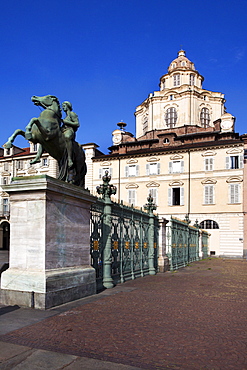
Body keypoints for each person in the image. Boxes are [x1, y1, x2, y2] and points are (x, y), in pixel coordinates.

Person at [61, 101, 80, 169]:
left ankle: (70, 159)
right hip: (63, 130)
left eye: (64, 106)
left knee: (67, 137)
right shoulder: (65, 116)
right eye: (62, 106)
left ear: (68, 106)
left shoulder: (72, 114)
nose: (63, 107)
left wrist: (66, 122)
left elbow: (77, 124)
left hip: (70, 130)